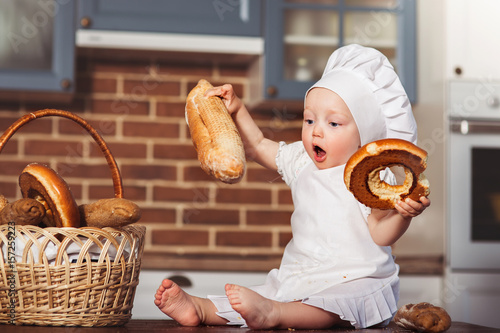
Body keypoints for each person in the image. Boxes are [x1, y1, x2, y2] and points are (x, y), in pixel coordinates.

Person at [154, 44, 431, 330]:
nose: (316, 130)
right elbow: (258, 145)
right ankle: (201, 308)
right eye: (309, 119)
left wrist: (402, 215)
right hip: (303, 272)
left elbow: (380, 233)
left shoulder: (372, 176)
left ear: (365, 136)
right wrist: (237, 109)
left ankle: (273, 314)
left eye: (333, 123)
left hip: (359, 277)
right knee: (270, 292)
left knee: (333, 305)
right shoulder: (301, 160)